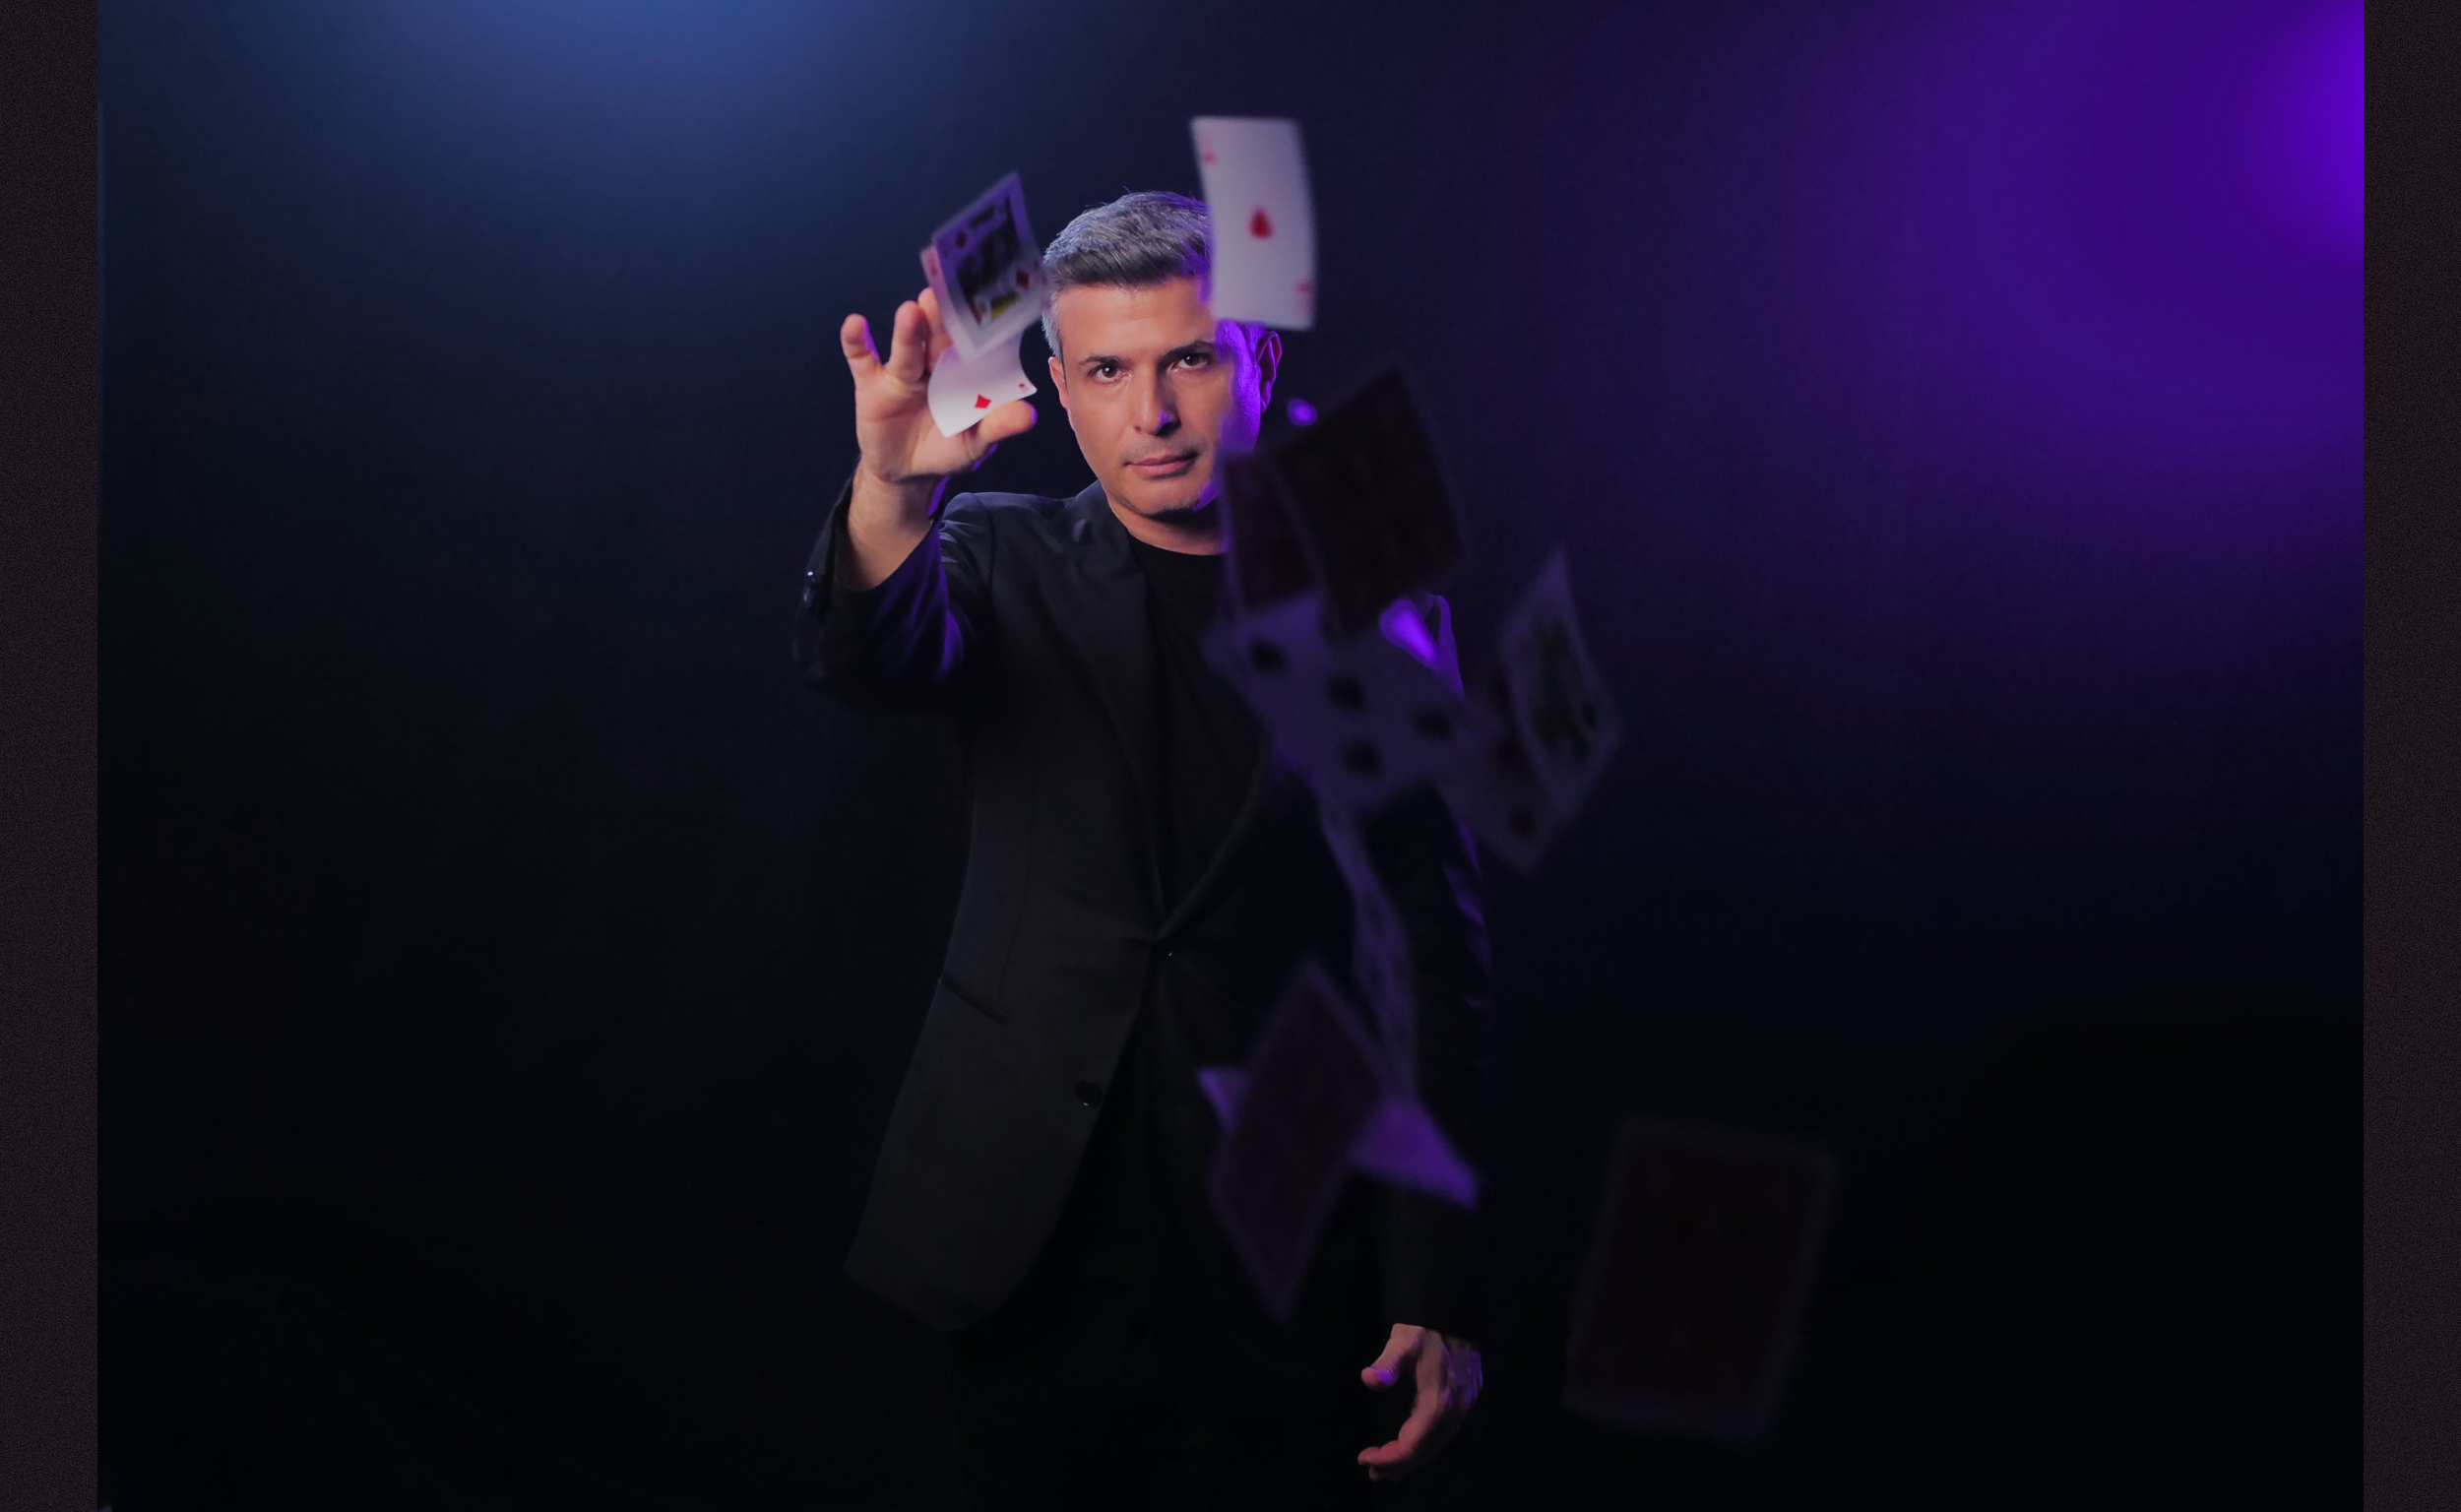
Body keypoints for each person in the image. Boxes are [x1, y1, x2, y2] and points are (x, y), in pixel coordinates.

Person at [796, 191, 1490, 1509]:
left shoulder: (1387, 623)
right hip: (1025, 1244)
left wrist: (1434, 1286)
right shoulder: (990, 555)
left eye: (1191, 359)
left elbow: (1432, 974)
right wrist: (891, 492)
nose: (1153, 413)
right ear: (1060, 388)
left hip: (1286, 1260)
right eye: (1109, 371)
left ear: (1258, 359)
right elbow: (864, 655)